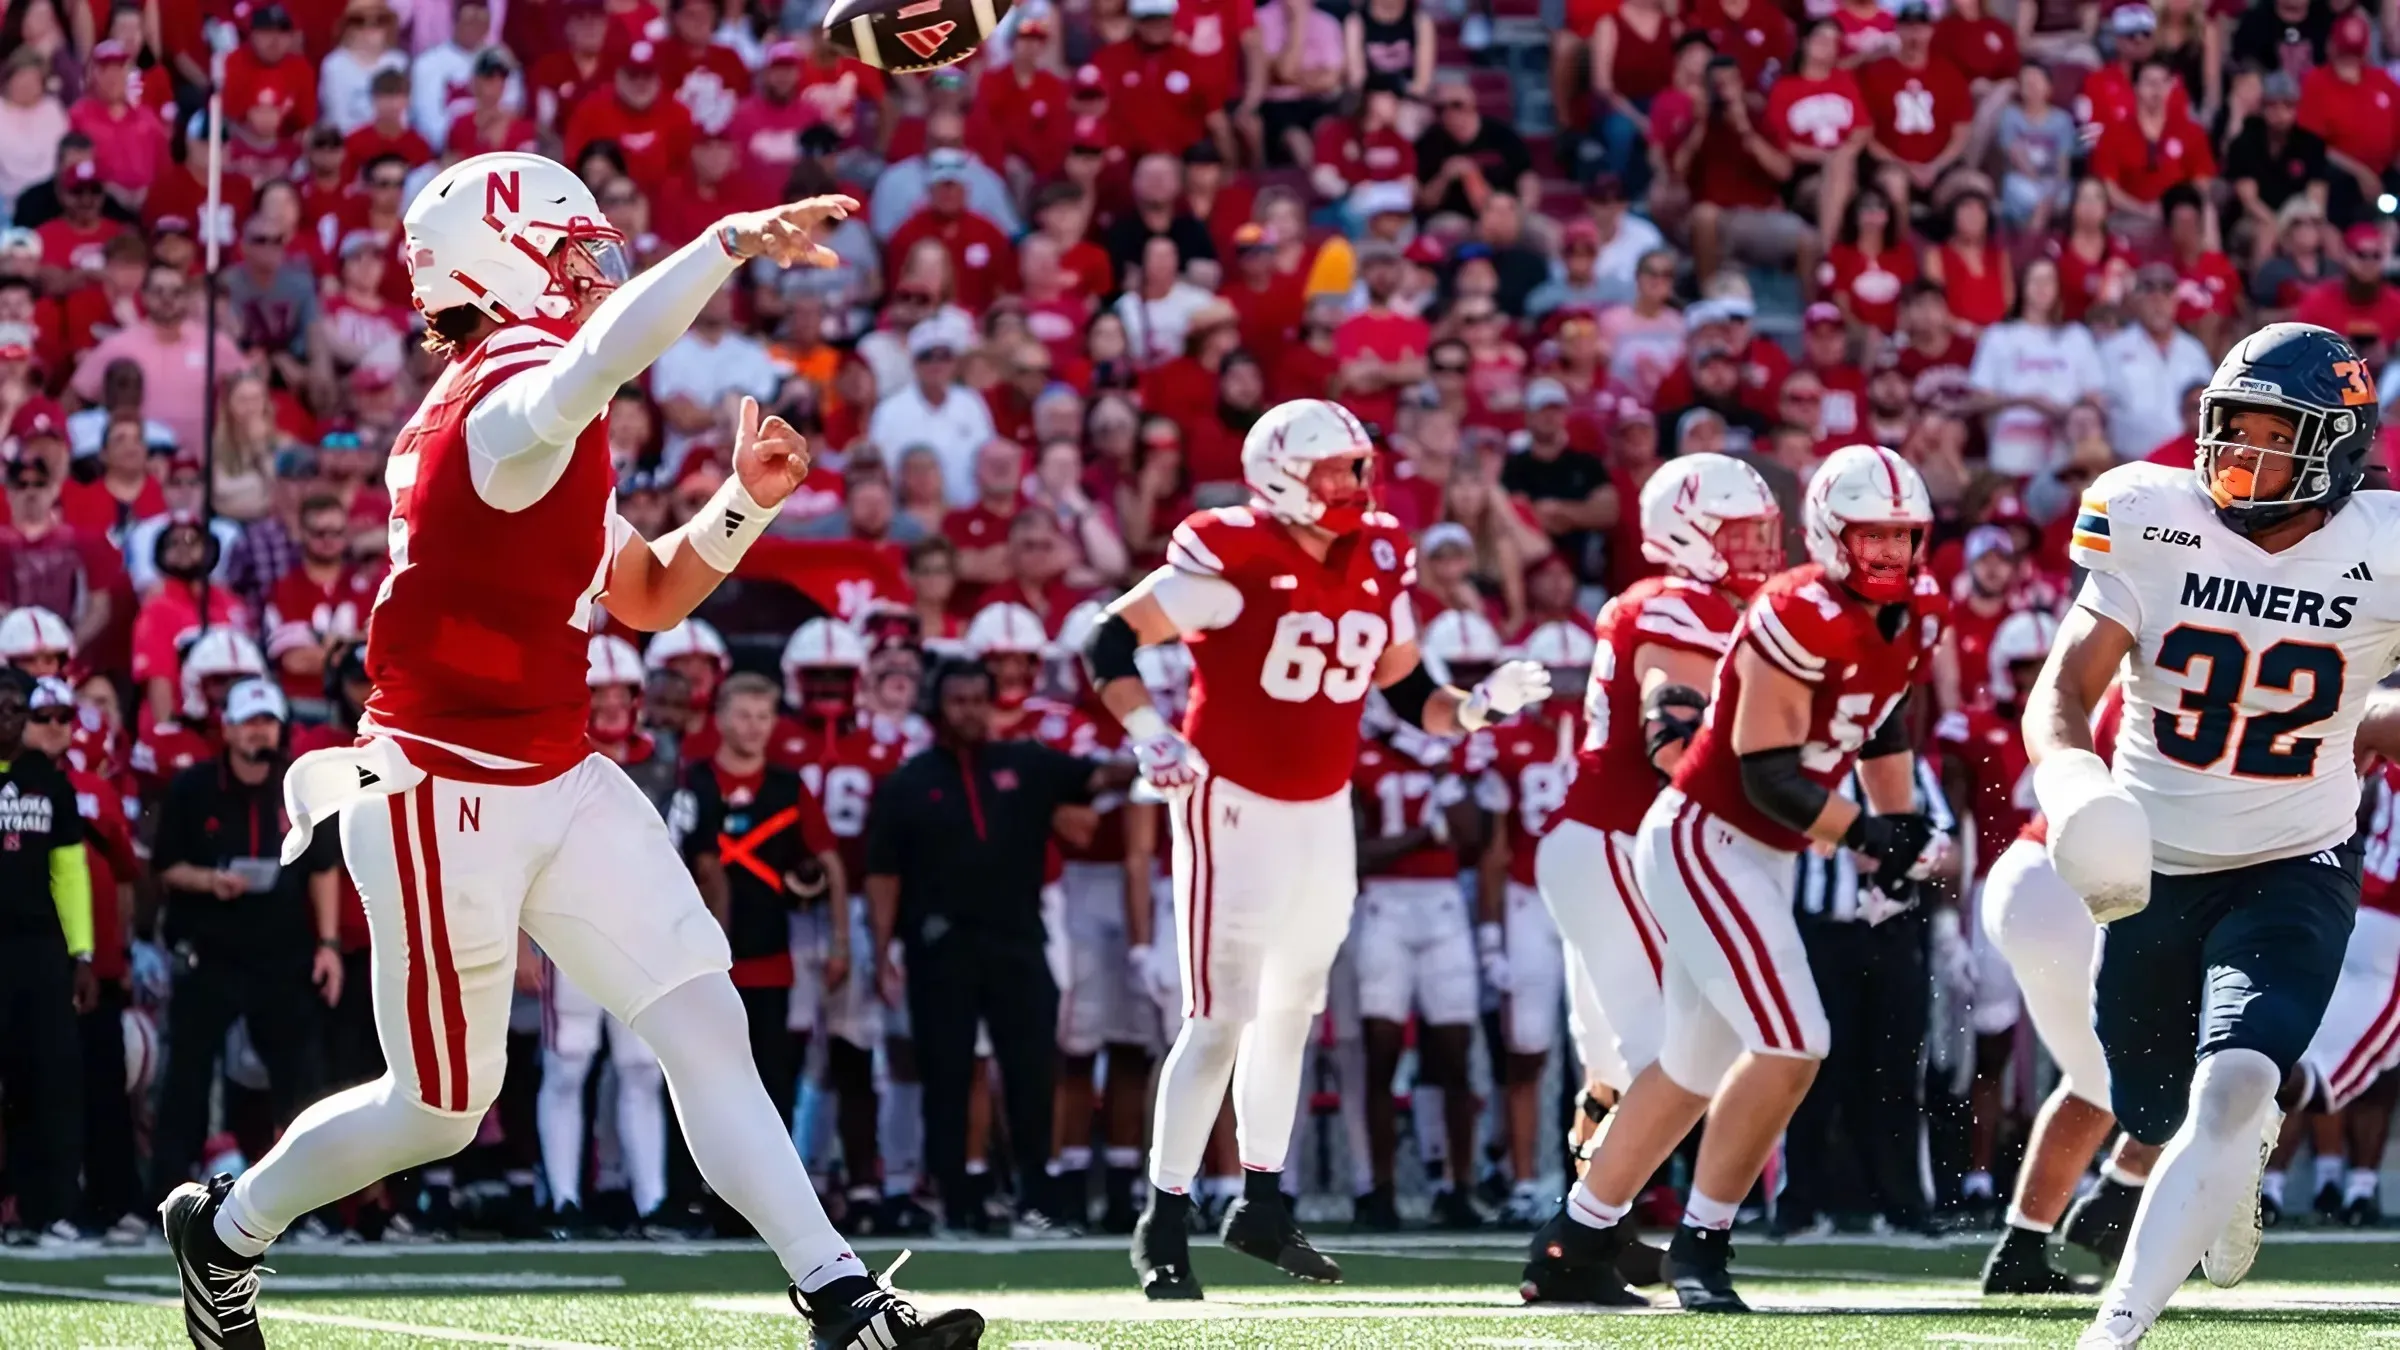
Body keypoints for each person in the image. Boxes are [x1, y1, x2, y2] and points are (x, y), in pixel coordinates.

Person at [154, 152, 982, 1350]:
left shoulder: (534, 413)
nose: (592, 270)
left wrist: (740, 503)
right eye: (568, 250)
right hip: (440, 791)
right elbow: (601, 360)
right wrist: (733, 239)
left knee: (704, 1023)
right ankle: (225, 1228)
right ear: (493, 263)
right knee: (438, 1108)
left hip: (559, 768)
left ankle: (841, 1297)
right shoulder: (503, 404)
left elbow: (643, 593)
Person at [1081, 398, 1551, 1298]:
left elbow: (1413, 695)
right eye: (1331, 472)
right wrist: (1147, 730)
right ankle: (1164, 1218)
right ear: (1281, 476)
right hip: (1232, 801)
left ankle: (1261, 1202)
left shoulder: (1380, 554)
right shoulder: (1236, 552)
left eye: (1356, 468)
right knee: (1219, 1016)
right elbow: (1110, 638)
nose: (1351, 486)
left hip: (1322, 807)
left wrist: (1484, 703)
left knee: (1293, 1009)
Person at [2028, 323, 2400, 1349]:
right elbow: (2065, 687)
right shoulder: (2150, 514)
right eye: (2227, 430)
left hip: (2296, 864)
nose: (2236, 456)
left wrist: (2363, 720)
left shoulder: (2384, 546)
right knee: (2149, 1107)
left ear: (2333, 447)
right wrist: (2066, 778)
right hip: (2155, 868)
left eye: (2270, 437)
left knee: (2237, 1082)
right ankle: (2227, 1172)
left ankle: (2118, 1326)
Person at [1521, 444, 1944, 1310]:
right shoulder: (1784, 610)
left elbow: (1885, 718)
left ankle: (1575, 1235)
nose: (1893, 556)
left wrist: (1897, 831)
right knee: (1791, 1041)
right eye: (1874, 536)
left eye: (1906, 537)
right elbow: (1757, 770)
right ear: (1832, 534)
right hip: (1699, 834)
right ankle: (1702, 1244)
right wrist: (1868, 834)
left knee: (1688, 1063)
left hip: (1755, 845)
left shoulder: (1909, 610)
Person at [1533, 453, 1778, 1209]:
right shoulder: (1679, 606)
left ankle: (1593, 1216)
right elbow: (1672, 739)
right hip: (1618, 840)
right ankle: (1599, 1225)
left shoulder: (1701, 606)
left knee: (1614, 1067)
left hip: (1609, 846)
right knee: (1671, 1060)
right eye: (1739, 534)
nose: (1761, 550)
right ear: (1690, 534)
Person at [864, 658, 1125, 1231]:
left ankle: (1038, 1194)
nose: (970, 711)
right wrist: (881, 952)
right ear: (936, 707)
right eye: (958, 701)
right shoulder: (910, 781)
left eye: (979, 700)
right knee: (948, 1075)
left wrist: (1157, 754)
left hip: (1018, 941)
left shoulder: (1024, 763)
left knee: (1032, 1069)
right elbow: (883, 874)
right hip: (940, 948)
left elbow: (1099, 777)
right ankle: (957, 1200)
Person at [147, 679, 341, 1210]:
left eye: (268, 721)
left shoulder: (297, 787)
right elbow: (166, 868)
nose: (260, 731)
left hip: (280, 951)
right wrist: (212, 881)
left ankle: (310, 1203)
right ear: (228, 728)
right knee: (186, 1075)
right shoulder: (193, 788)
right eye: (250, 721)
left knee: (301, 1081)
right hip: (211, 948)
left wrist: (328, 943)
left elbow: (323, 869)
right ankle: (168, 1193)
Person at [1349, 612, 1494, 1232]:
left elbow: (1473, 837)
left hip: (1441, 908)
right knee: (1381, 1054)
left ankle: (1457, 1185)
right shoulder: (1360, 757)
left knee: (1454, 1052)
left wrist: (1439, 767)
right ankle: (1379, 1188)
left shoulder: (1443, 754)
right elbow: (1357, 852)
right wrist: (1420, 833)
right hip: (1381, 906)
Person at [0, 665, 93, 1246]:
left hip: (39, 953)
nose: (9, 717)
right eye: (2, 707)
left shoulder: (51, 782)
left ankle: (51, 1209)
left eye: (19, 708)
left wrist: (82, 952)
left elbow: (70, 873)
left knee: (51, 1079)